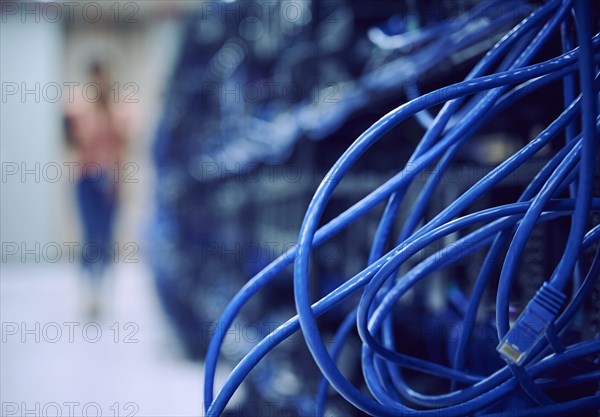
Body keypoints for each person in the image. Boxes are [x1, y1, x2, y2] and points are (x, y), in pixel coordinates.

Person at [64, 61, 128, 316]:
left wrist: (119, 182)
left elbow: (123, 149)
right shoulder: (79, 109)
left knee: (107, 236)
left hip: (110, 180)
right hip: (86, 178)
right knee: (89, 236)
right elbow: (72, 143)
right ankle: (89, 293)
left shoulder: (119, 108)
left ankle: (104, 291)